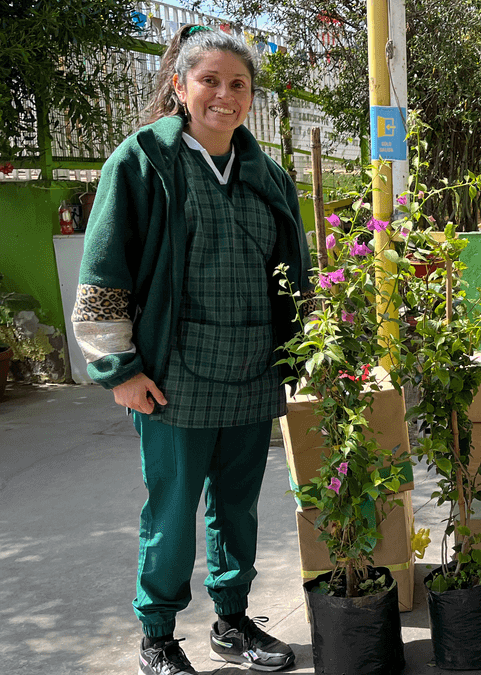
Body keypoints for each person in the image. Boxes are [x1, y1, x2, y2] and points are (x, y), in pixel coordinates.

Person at [73, 25, 307, 674]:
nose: (223, 96)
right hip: (174, 379)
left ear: (251, 97)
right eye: (209, 80)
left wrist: (298, 354)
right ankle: (158, 636)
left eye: (238, 85)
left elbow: (294, 274)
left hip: (253, 371)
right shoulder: (144, 160)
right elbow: (104, 270)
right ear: (180, 85)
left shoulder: (268, 175)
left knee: (239, 509)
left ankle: (232, 622)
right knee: (172, 515)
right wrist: (118, 369)